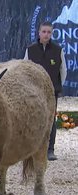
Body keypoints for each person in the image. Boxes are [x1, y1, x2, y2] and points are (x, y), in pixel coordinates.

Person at [24, 21, 67, 161]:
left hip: (51, 93)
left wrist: (56, 87)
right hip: (33, 92)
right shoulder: (30, 50)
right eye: (44, 31)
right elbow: (24, 69)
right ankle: (31, 150)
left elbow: (63, 71)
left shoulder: (58, 50)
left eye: (49, 32)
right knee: (32, 119)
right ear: (39, 32)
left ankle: (50, 150)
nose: (46, 34)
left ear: (52, 33)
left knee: (51, 120)